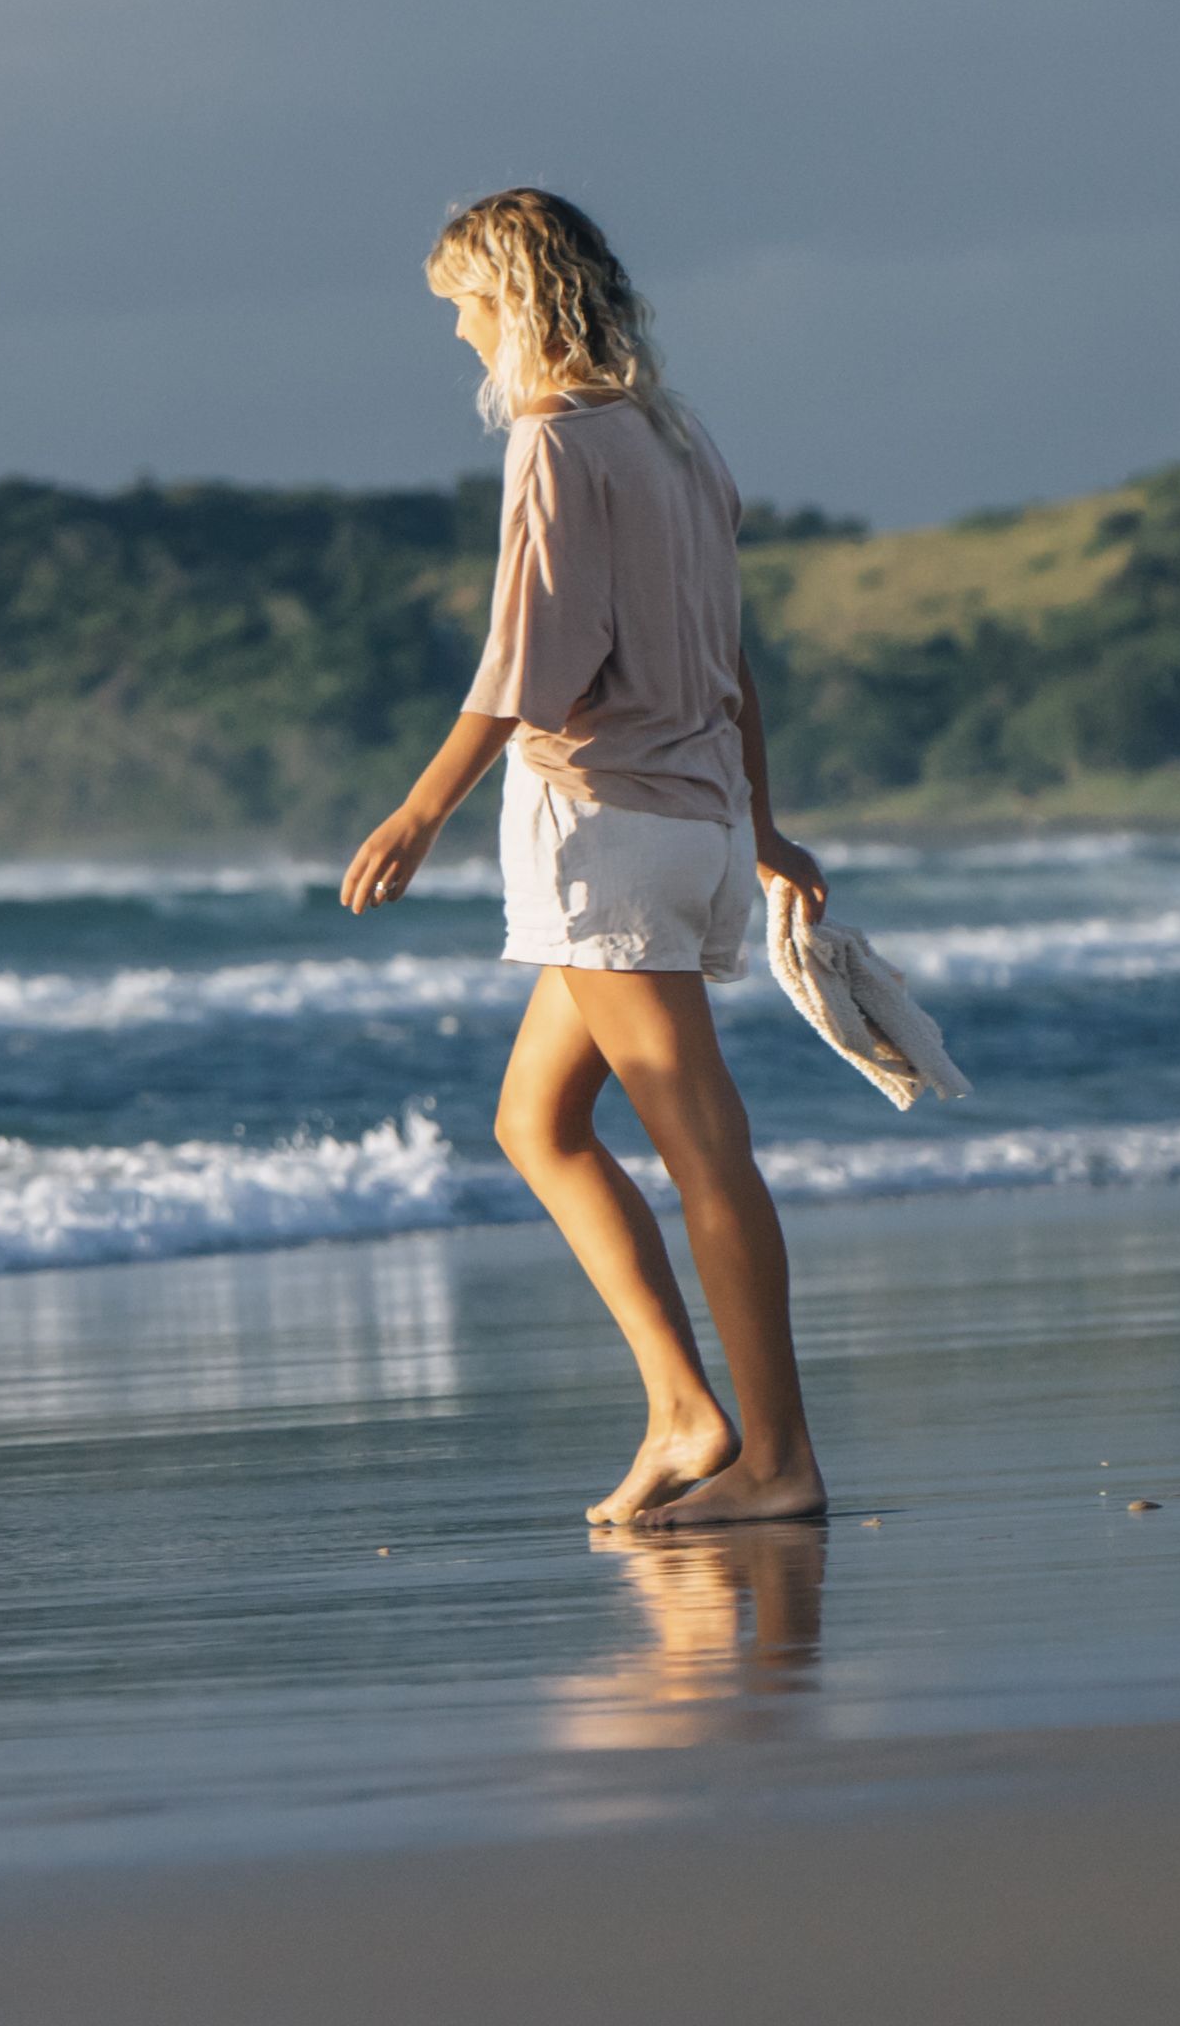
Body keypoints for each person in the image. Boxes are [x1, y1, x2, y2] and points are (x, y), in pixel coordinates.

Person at [340, 190, 834, 1530]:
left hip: (606, 828)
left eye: (463, 303)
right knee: (537, 1123)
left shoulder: (558, 444)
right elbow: (734, 658)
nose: (457, 331)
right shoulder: (678, 439)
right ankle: (686, 1411)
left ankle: (778, 1460)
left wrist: (419, 811)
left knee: (703, 1145)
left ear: (517, 299)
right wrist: (766, 823)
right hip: (700, 825)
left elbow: (522, 665)